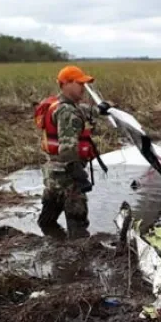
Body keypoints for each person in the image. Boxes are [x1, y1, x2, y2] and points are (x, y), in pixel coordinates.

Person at [35, 65, 111, 238]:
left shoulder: (59, 105)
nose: (83, 88)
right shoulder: (67, 112)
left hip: (52, 175)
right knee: (78, 228)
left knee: (47, 221)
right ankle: (76, 261)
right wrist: (78, 174)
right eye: (80, 84)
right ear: (66, 84)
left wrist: (101, 110)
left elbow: (85, 110)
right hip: (68, 177)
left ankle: (51, 242)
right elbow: (68, 148)